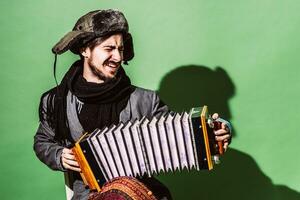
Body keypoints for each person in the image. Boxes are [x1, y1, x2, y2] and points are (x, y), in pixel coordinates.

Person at [33, 9, 232, 200]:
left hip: (140, 193)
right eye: (109, 49)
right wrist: (60, 156)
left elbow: (181, 133)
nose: (118, 57)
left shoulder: (145, 100)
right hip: (88, 195)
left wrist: (215, 131)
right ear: (85, 50)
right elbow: (43, 141)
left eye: (120, 49)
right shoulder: (56, 100)